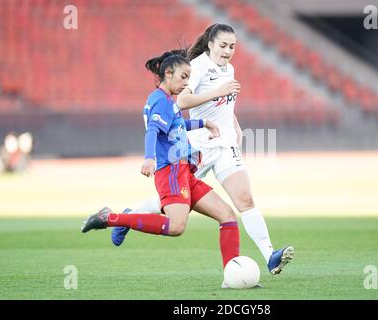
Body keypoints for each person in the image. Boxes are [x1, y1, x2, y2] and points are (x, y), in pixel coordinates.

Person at [114, 24, 294, 275]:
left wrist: (235, 125)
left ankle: (270, 256)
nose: (228, 51)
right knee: (175, 200)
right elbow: (183, 101)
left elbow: (224, 105)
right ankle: (130, 217)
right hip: (197, 147)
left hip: (224, 145)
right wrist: (217, 92)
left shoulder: (228, 69)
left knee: (245, 199)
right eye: (223, 45)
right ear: (210, 44)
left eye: (232, 47)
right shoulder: (197, 67)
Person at [82, 50, 241, 273]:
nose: (186, 83)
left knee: (227, 215)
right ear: (168, 73)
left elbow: (175, 127)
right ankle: (112, 218)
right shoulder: (159, 101)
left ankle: (233, 274)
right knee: (177, 226)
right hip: (171, 171)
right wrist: (149, 158)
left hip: (185, 171)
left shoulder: (168, 101)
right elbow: (153, 131)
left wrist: (203, 123)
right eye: (183, 77)